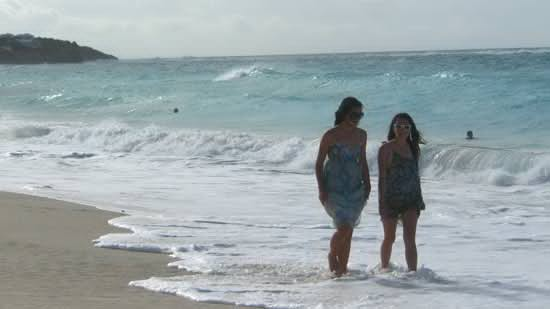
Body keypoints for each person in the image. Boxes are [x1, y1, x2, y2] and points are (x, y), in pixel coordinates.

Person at [315, 97, 371, 276]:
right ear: (344, 113)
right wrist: (321, 189)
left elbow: (362, 161)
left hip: (355, 188)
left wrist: (368, 184)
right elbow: (318, 164)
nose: (357, 118)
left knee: (349, 232)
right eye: (354, 114)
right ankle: (332, 255)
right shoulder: (330, 135)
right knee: (344, 228)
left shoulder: (362, 135)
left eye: (360, 115)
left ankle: (342, 270)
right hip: (334, 188)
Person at [377, 113, 425, 271]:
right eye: (398, 126)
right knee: (389, 238)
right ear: (393, 127)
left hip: (411, 198)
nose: (402, 129)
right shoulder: (385, 149)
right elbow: (382, 177)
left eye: (406, 127)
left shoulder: (414, 148)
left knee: (410, 238)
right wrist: (382, 203)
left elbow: (415, 174)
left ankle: (413, 274)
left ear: (411, 129)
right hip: (391, 199)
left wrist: (419, 197)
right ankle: (384, 269)